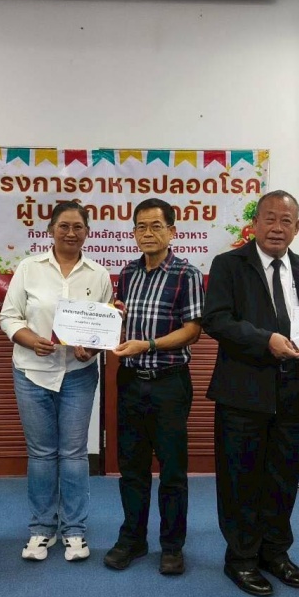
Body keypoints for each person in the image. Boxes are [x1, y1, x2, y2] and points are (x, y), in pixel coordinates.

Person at [202, 190, 299, 597]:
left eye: (286, 221)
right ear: (255, 224)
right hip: (243, 392)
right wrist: (266, 340)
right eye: (270, 219)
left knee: (282, 478)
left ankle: (275, 552)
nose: (277, 227)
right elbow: (216, 320)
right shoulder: (229, 265)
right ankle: (241, 558)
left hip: (293, 394)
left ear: (297, 227)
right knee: (240, 478)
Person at [0, 201, 113, 563]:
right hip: (32, 372)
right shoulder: (29, 268)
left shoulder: (99, 275)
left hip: (78, 375)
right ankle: (42, 528)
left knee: (74, 453)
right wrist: (30, 340)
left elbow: (104, 330)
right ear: (50, 230)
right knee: (42, 453)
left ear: (87, 232)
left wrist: (91, 348)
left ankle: (75, 530)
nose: (70, 233)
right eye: (63, 226)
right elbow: (9, 316)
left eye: (78, 227)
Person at [104, 198, 205, 576]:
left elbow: (192, 331)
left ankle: (172, 545)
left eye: (156, 226)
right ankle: (133, 538)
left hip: (169, 384)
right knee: (131, 466)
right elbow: (121, 320)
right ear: (133, 233)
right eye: (141, 227)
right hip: (130, 381)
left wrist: (147, 345)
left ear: (172, 231)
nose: (148, 233)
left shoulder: (186, 274)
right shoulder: (128, 272)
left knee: (173, 470)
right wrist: (111, 318)